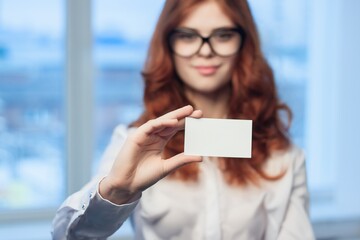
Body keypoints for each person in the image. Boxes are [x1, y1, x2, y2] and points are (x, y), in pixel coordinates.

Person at [52, 0, 315, 239]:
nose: (205, 51)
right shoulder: (134, 142)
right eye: (187, 36)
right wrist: (116, 191)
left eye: (223, 35)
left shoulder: (283, 154)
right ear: (168, 44)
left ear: (244, 45)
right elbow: (69, 236)